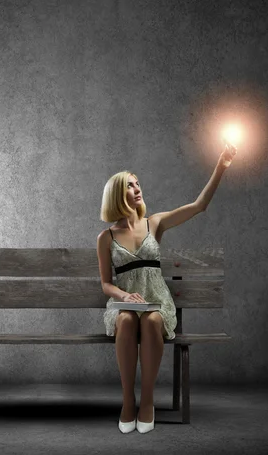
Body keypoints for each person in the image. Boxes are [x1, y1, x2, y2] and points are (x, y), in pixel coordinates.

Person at [96, 143, 237, 434]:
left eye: (138, 184)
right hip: (124, 303)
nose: (137, 189)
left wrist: (221, 165)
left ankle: (147, 400)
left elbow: (199, 206)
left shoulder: (155, 223)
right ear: (117, 195)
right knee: (125, 319)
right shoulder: (106, 237)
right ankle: (127, 400)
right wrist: (124, 296)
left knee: (151, 321)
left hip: (156, 301)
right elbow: (106, 283)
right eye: (129, 186)